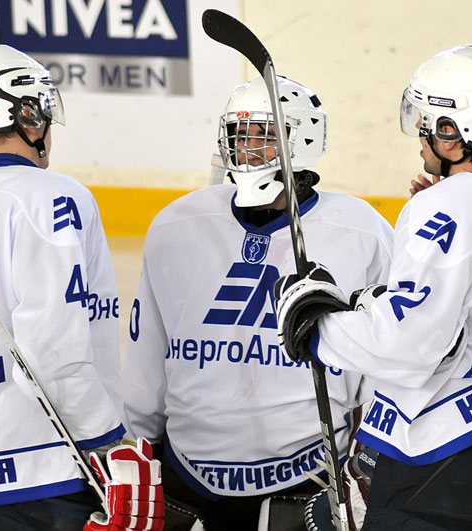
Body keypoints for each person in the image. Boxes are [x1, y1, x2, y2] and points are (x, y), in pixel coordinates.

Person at [275, 44, 472, 530]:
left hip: (447, 466)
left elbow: (410, 345)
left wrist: (318, 332)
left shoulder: (447, 207)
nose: (419, 135)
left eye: (426, 123)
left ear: (451, 133)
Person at [0, 45, 162, 531]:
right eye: (38, 107)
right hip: (46, 479)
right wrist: (109, 444)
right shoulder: (54, 197)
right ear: (23, 115)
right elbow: (54, 354)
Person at [122, 75, 394, 530]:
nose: (247, 150)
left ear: (303, 141)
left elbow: (383, 364)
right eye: (239, 135)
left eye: (264, 137)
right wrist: (133, 449)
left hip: (308, 481)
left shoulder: (361, 231)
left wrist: (368, 461)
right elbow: (146, 361)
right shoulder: (176, 225)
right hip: (188, 480)